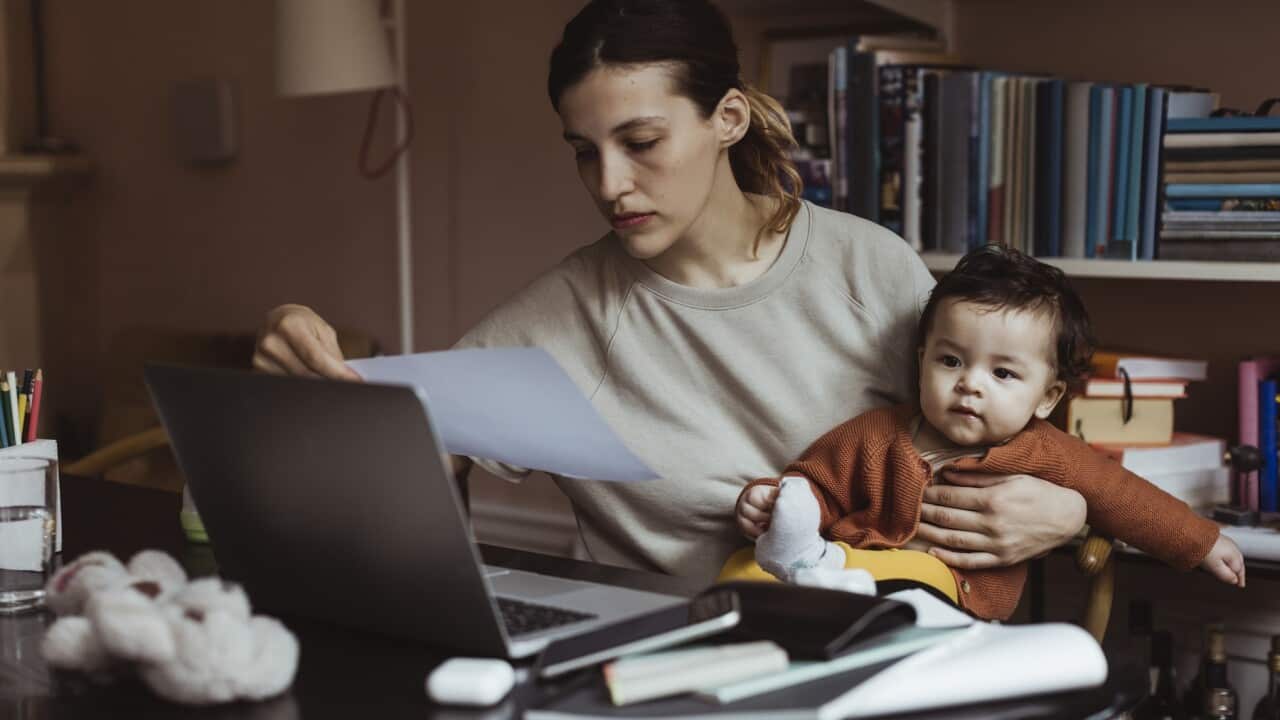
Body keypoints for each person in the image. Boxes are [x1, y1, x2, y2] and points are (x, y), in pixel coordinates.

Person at [252, 0, 1089, 584]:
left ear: (727, 117)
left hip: (887, 649)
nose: (610, 183)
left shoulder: (868, 267)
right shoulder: (566, 312)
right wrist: (305, 365)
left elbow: (993, 433)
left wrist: (1069, 511)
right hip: (660, 665)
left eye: (641, 141)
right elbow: (415, 454)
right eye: (584, 150)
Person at [728, 245, 1245, 620]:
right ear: (921, 361)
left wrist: (1201, 543)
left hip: (952, 591)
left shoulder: (1047, 452)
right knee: (739, 570)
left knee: (915, 578)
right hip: (846, 568)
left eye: (1002, 373)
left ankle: (825, 583)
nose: (969, 384)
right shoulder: (877, 433)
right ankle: (805, 575)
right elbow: (816, 482)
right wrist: (774, 503)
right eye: (951, 360)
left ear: (1047, 397)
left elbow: (1125, 497)